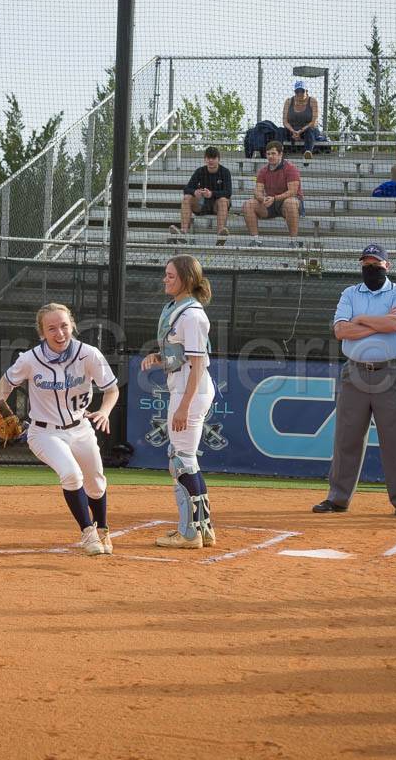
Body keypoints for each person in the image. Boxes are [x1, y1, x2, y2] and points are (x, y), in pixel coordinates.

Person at [0, 303, 119, 556]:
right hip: (44, 432)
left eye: (63, 326)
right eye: (51, 328)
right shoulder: (30, 359)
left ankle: (102, 527)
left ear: (72, 325)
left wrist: (104, 411)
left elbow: (112, 389)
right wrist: (0, 400)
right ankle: (87, 532)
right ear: (42, 333)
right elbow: (7, 381)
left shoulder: (88, 354)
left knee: (95, 483)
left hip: (80, 428)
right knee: (71, 475)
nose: (59, 333)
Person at [313, 244, 396, 518]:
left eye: (376, 263)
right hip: (354, 372)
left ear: (387, 266)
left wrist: (360, 320)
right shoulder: (349, 293)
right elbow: (340, 330)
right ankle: (338, 498)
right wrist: (379, 322)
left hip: (390, 372)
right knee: (347, 438)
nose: (370, 268)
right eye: (366, 264)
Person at [141, 254, 217, 548]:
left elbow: (197, 364)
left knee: (181, 461)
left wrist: (184, 407)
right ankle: (204, 528)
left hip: (191, 390)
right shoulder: (179, 310)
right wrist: (159, 359)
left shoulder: (193, 315)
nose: (165, 279)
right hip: (185, 385)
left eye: (171, 275)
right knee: (186, 459)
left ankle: (189, 533)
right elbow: (182, 355)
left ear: (185, 279)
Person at [241, 141, 303, 243]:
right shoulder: (263, 171)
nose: (270, 156)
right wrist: (262, 198)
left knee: (290, 202)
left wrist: (274, 198)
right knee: (248, 204)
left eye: (273, 153)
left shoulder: (291, 168)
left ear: (280, 154)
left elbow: (293, 191)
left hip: (290, 203)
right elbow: (257, 191)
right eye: (268, 154)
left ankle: (294, 242)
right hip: (271, 203)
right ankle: (255, 241)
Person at [170, 147, 232, 246]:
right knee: (187, 198)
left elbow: (228, 192)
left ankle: (221, 235)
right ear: (205, 159)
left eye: (213, 158)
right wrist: (195, 192)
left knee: (223, 200)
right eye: (208, 158)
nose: (210, 160)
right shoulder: (200, 171)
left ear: (218, 159)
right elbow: (186, 189)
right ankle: (183, 232)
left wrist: (212, 194)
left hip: (217, 206)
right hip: (202, 205)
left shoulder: (225, 172)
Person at [282, 80, 320, 161]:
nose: (299, 93)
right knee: (279, 131)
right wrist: (293, 131)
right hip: (292, 130)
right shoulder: (288, 101)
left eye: (302, 91)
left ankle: (307, 153)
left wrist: (300, 131)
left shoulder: (312, 101)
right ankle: (278, 152)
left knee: (310, 131)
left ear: (306, 91)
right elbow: (285, 121)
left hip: (308, 129)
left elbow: (314, 122)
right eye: (297, 91)